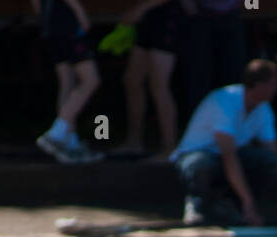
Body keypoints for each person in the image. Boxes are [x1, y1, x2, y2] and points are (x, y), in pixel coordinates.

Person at [169, 58, 277, 226]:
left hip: (224, 159)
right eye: (273, 83)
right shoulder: (226, 100)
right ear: (259, 84)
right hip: (195, 157)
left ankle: (232, 206)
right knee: (202, 164)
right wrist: (248, 201)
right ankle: (198, 204)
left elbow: (275, 156)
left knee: (266, 159)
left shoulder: (263, 109)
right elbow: (229, 155)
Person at [31, 0, 104, 164]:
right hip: (67, 22)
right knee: (91, 80)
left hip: (50, 24)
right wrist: (80, 13)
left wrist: (45, 17)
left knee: (67, 84)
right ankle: (56, 133)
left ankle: (69, 142)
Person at [116, 1, 186, 159]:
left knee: (159, 84)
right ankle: (134, 142)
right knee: (132, 80)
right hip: (146, 18)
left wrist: (140, 8)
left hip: (166, 16)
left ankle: (170, 147)